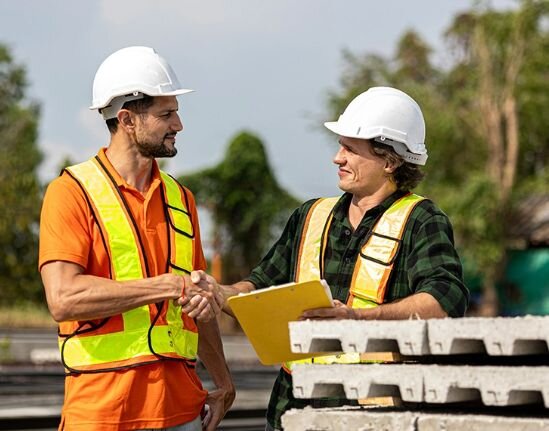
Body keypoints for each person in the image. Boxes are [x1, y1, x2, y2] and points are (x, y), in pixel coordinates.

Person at [212, 86, 470, 430]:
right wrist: (217, 293)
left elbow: (444, 301)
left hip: (377, 414)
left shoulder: (421, 220)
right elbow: (257, 287)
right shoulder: (309, 217)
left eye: (350, 148)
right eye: (340, 146)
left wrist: (357, 319)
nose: (338, 158)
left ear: (390, 160)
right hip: (295, 410)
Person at [39, 46, 234, 431]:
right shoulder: (71, 192)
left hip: (182, 413)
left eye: (176, 112)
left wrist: (224, 381)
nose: (178, 124)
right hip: (102, 414)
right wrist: (164, 286)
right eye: (166, 114)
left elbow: (199, 301)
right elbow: (64, 299)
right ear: (127, 120)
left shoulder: (181, 199)